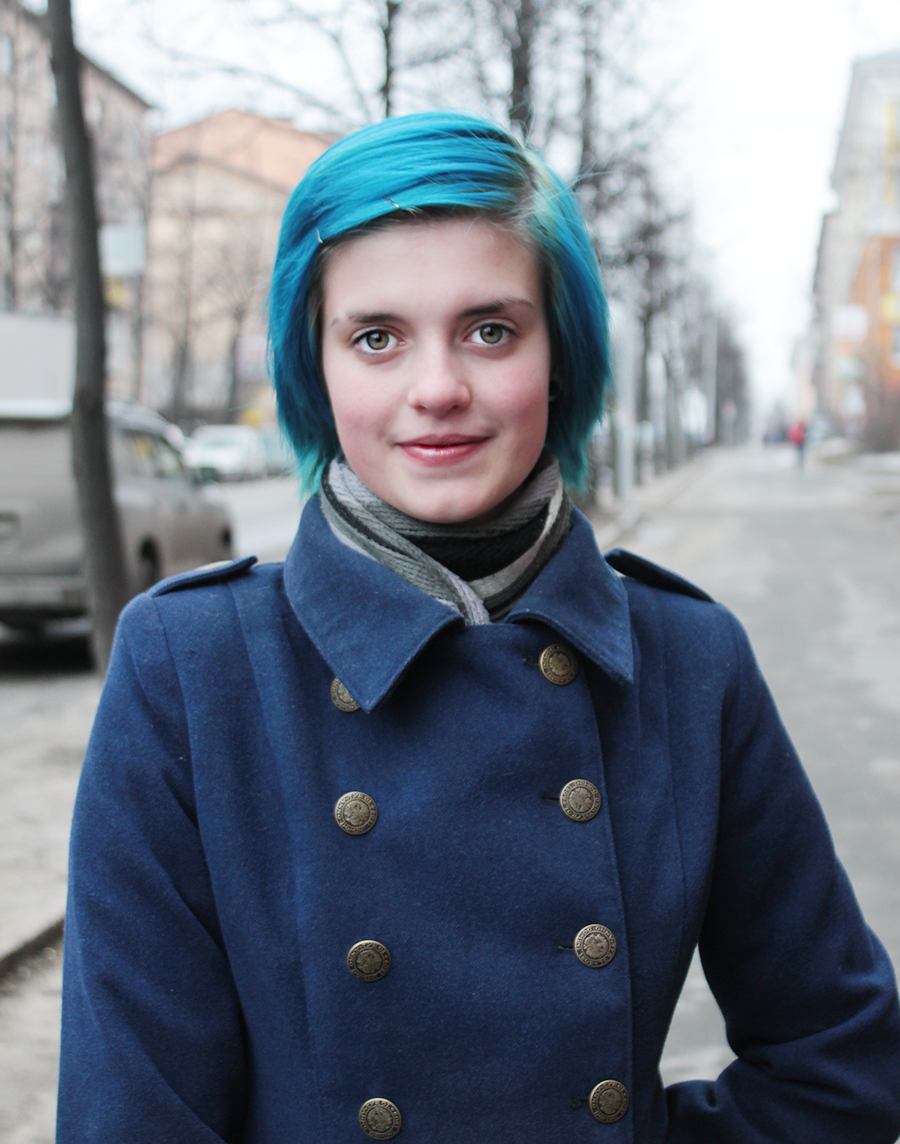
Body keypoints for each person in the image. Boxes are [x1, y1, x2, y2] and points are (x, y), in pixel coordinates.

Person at [57, 112, 900, 1143]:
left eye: (490, 330)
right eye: (376, 337)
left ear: (560, 353)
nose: (438, 389)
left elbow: (839, 1066)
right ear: (315, 367)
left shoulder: (688, 659)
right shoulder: (191, 669)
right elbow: (131, 1119)